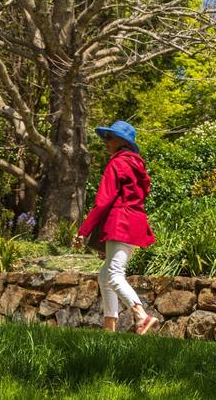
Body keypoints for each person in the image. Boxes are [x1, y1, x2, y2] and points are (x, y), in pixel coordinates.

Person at [72, 121, 159, 334]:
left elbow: (103, 201)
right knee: (105, 276)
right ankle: (109, 327)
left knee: (114, 274)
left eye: (109, 137)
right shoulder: (138, 166)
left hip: (120, 222)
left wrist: (83, 231)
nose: (106, 141)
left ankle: (141, 316)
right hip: (135, 223)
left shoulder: (117, 163)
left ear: (121, 141)